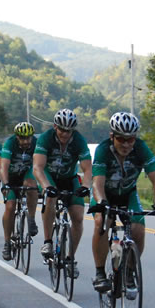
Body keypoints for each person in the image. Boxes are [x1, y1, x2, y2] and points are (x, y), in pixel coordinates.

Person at [88, 112, 155, 292]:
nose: (126, 144)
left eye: (130, 139)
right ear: (112, 136)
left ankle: (129, 272)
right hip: (105, 194)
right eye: (121, 139)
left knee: (138, 228)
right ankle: (100, 273)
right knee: (102, 222)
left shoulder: (141, 148)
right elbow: (97, 183)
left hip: (128, 193)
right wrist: (102, 202)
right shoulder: (103, 150)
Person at [32, 109, 92, 278]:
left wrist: (85, 186)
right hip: (49, 176)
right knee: (51, 197)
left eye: (69, 131)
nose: (65, 134)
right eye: (62, 130)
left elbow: (88, 169)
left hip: (69, 178)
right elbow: (37, 168)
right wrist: (46, 186)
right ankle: (48, 242)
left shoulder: (79, 140)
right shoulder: (46, 138)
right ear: (55, 127)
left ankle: (70, 259)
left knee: (78, 217)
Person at [0, 121, 40, 260]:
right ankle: (7, 243)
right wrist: (5, 184)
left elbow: (40, 165)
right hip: (10, 177)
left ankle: (31, 219)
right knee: (10, 206)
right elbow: (4, 166)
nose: (26, 141)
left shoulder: (36, 144)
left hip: (26, 174)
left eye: (28, 138)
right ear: (17, 137)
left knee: (31, 186)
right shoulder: (10, 144)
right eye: (22, 138)